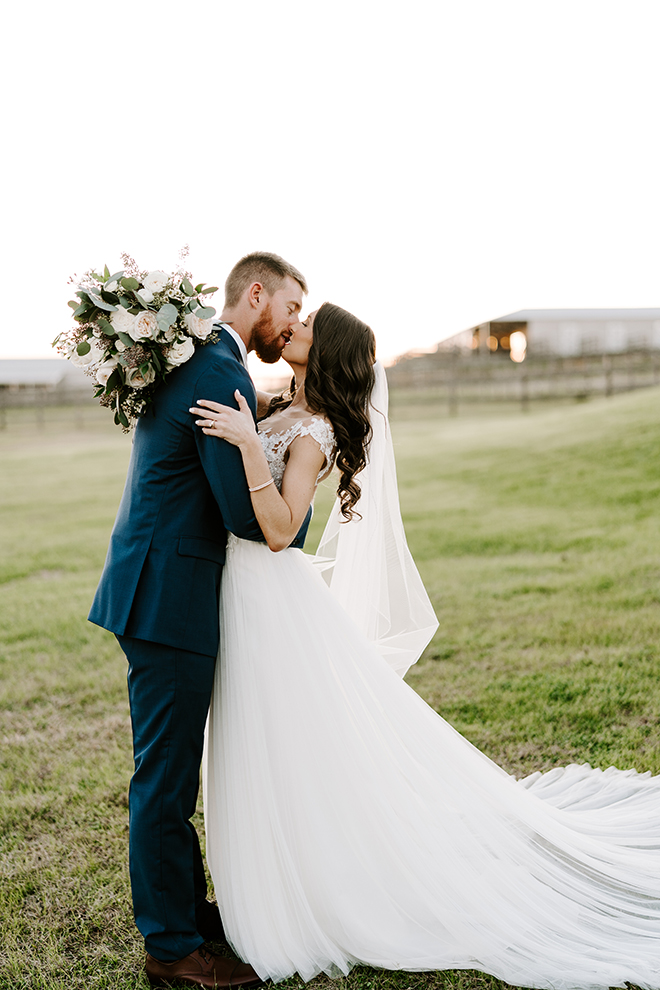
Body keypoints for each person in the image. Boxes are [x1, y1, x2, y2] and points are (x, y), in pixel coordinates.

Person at [190, 302, 660, 990]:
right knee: (273, 738)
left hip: (270, 592)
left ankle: (299, 881)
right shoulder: (282, 402)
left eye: (309, 324)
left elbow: (284, 528)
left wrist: (242, 444)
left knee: (278, 737)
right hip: (249, 594)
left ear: (327, 352)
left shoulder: (317, 431)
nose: (295, 326)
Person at [89, 251, 312, 990]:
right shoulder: (220, 371)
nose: (290, 325)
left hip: (157, 583)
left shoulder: (193, 354)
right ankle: (172, 949)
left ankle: (187, 912)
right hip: (168, 593)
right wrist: (288, 503)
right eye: (290, 308)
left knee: (171, 768)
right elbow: (245, 517)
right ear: (257, 293)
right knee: (164, 777)